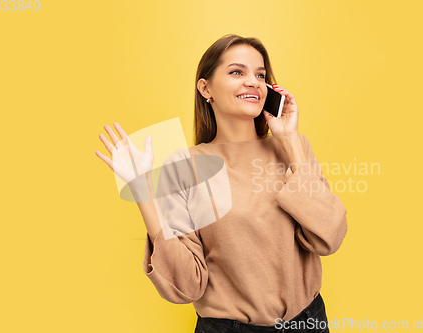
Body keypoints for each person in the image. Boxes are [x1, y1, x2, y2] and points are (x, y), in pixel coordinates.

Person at [95, 34, 348, 333]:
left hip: (308, 323)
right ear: (206, 88)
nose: (253, 81)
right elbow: (187, 285)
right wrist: (142, 191)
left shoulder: (294, 148)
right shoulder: (186, 167)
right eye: (237, 72)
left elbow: (329, 237)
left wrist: (290, 141)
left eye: (260, 75)